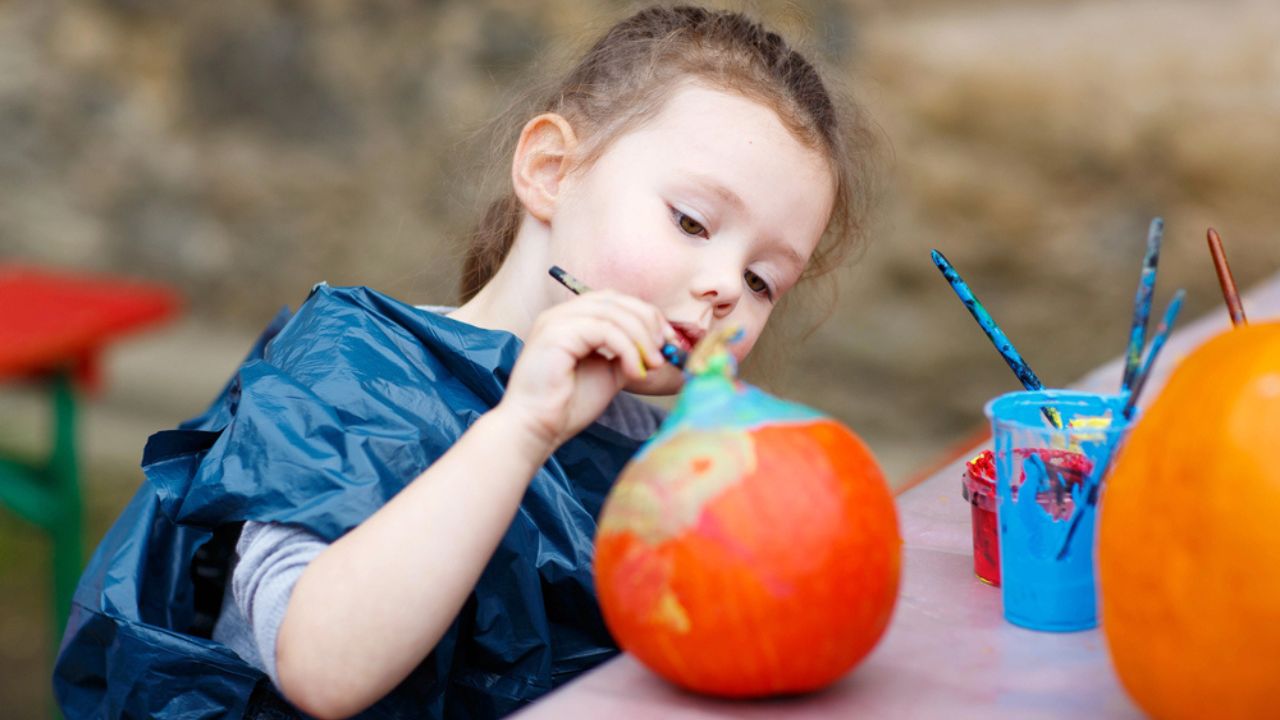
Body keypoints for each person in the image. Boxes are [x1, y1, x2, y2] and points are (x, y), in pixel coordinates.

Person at [53, 5, 877, 719]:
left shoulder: (638, 445)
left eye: (764, 279)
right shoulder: (349, 370)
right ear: (551, 170)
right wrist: (519, 431)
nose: (725, 288)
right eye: (694, 224)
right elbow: (322, 669)